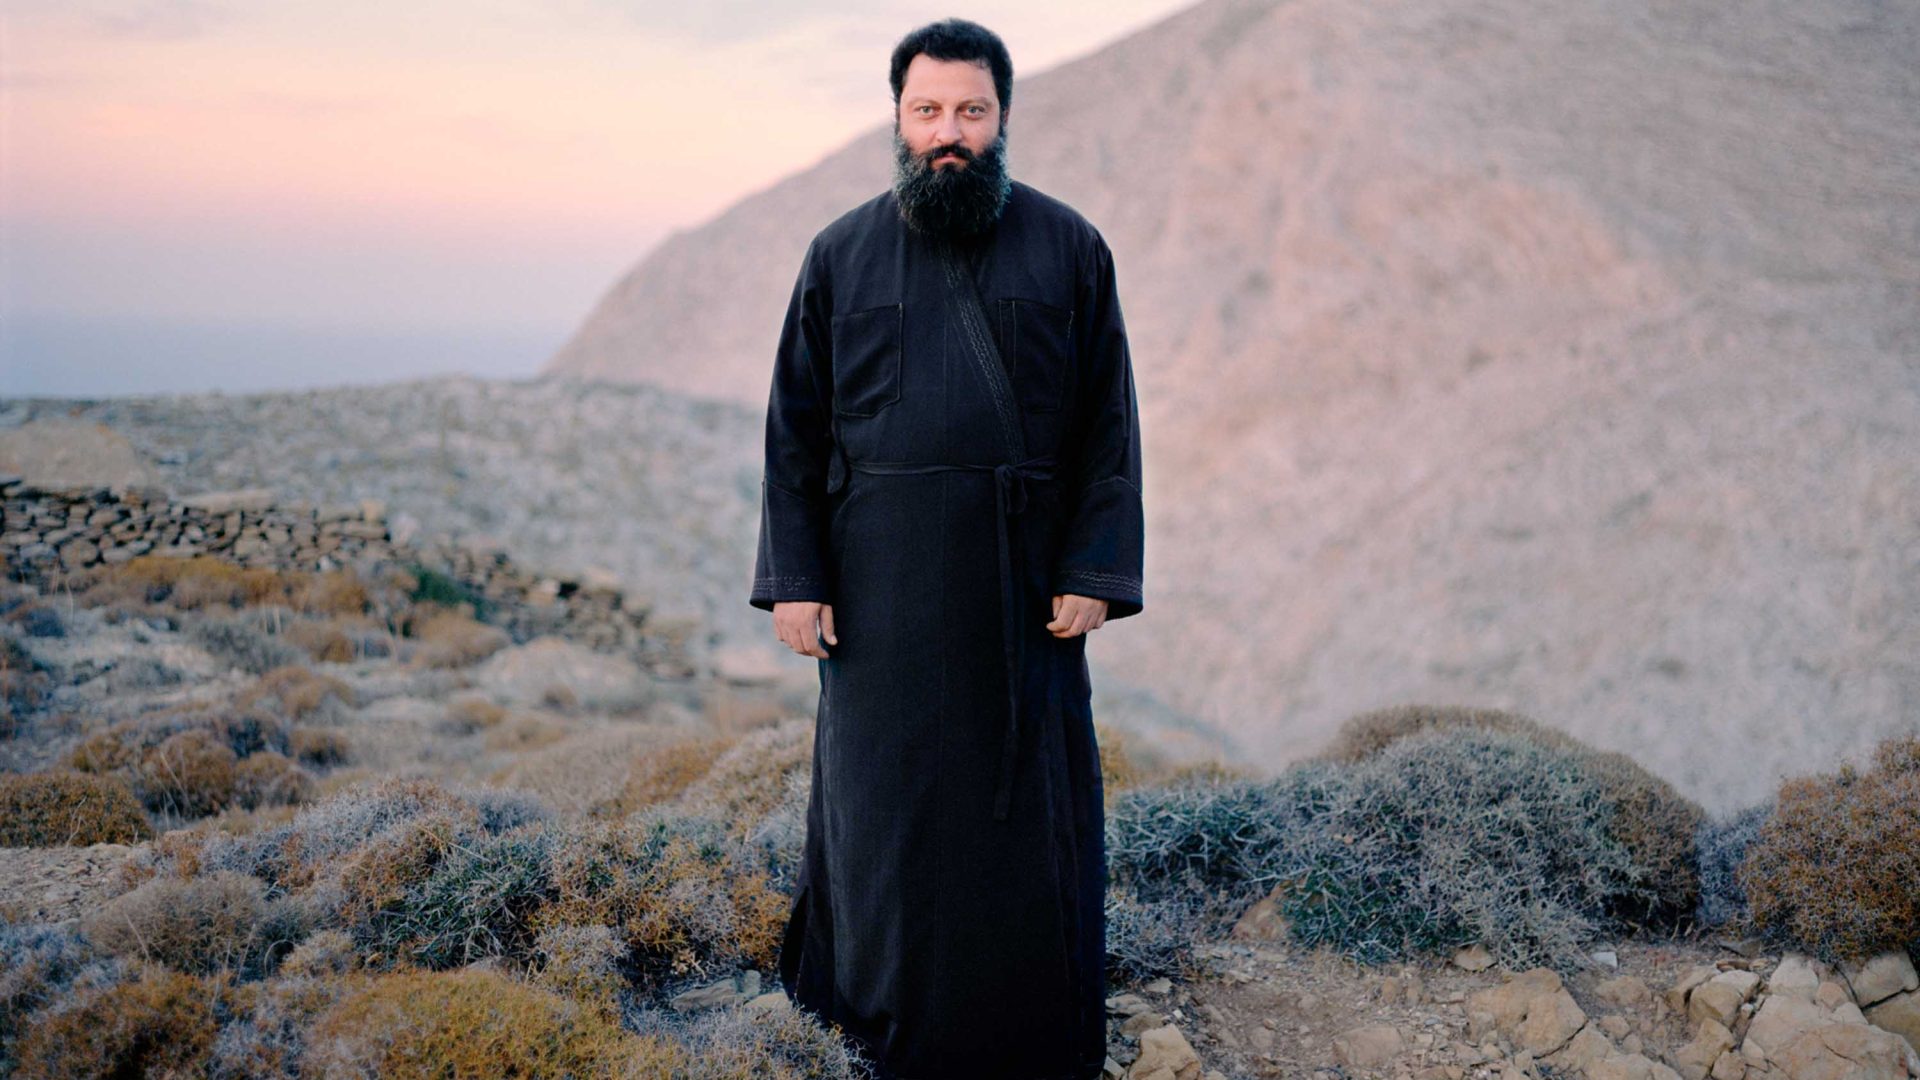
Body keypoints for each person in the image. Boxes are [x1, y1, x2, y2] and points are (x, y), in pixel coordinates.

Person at [748, 16, 1145, 1080]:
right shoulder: (840, 254)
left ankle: (1028, 1039)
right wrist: (797, 581)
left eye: (971, 110)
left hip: (1022, 589)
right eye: (928, 111)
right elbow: (795, 431)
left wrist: (1091, 569)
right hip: (878, 589)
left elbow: (1107, 422)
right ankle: (872, 1024)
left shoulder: (1070, 248)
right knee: (883, 812)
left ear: (1002, 117)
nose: (949, 133)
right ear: (898, 119)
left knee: (1026, 814)